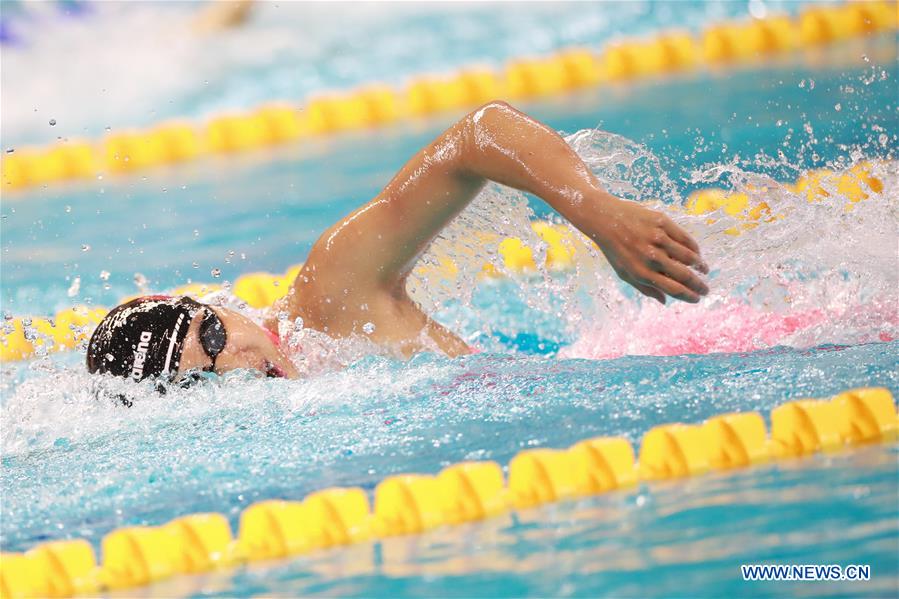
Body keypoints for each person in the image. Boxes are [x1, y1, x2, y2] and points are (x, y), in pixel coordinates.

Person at [87, 101, 710, 384]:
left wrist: (596, 213)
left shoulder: (330, 295)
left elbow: (479, 134)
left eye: (216, 337)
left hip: (670, 351)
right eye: (209, 381)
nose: (244, 364)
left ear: (210, 304)